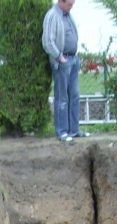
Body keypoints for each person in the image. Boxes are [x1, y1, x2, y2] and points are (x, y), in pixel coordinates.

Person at [41, 0, 90, 143]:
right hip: (62, 61)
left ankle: (74, 130)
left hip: (73, 59)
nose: (72, 6)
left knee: (74, 96)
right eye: (69, 3)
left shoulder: (68, 15)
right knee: (62, 98)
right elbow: (47, 41)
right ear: (61, 2)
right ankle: (62, 132)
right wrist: (59, 56)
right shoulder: (52, 15)